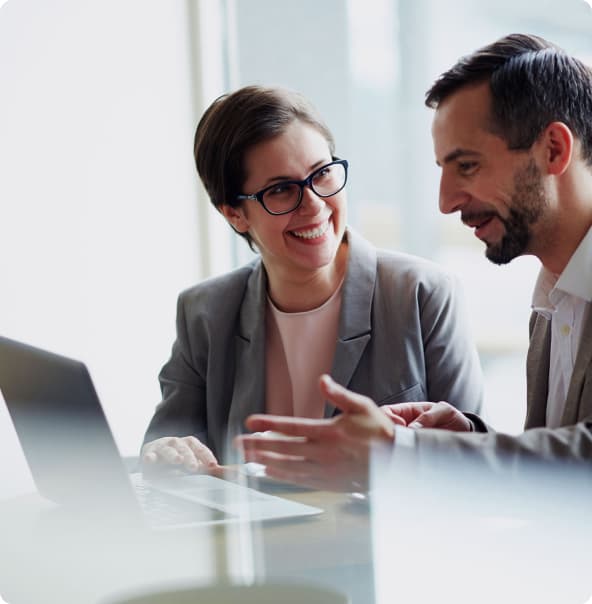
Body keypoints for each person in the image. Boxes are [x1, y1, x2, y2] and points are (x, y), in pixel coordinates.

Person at [238, 33, 592, 490]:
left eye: (466, 166)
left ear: (554, 151)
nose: (445, 202)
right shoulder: (557, 297)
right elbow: (561, 476)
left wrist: (405, 455)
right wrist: (465, 439)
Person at [141, 85, 483, 471]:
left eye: (321, 174)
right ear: (234, 214)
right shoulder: (204, 311)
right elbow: (167, 442)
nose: (315, 205)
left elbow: (471, 462)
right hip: (253, 531)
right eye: (282, 190)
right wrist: (167, 453)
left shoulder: (423, 294)